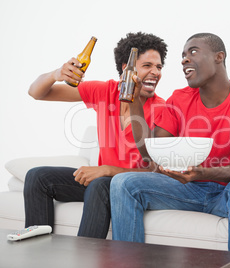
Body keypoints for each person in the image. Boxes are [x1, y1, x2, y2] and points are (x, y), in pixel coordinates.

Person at [110, 33, 230, 268]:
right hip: (188, 189)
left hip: (229, 194)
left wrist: (201, 173)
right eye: (182, 56)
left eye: (193, 52)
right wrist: (134, 100)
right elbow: (150, 157)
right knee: (124, 183)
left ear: (219, 57)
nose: (185, 60)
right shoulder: (178, 99)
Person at [24, 32, 168, 239]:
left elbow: (157, 172)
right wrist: (57, 74)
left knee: (100, 184)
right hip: (101, 180)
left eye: (159, 67)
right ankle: (37, 255)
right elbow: (36, 92)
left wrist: (107, 170)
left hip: (127, 187)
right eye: (147, 66)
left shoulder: (163, 110)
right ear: (125, 69)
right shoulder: (106, 91)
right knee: (38, 177)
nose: (155, 72)